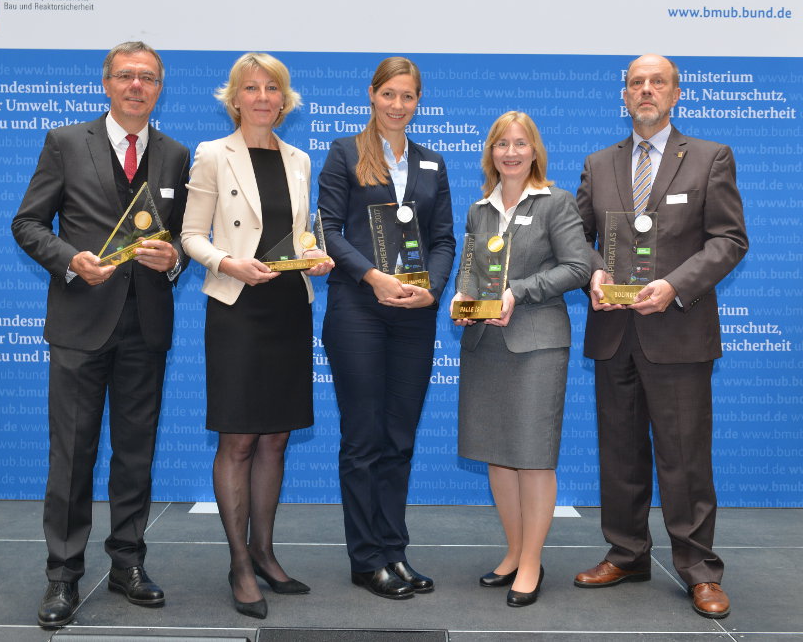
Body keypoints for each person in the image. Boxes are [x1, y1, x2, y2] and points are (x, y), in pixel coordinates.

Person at [12, 41, 190, 629]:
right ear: (106, 84)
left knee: (135, 454)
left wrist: (175, 261)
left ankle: (127, 564)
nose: (136, 86)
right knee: (73, 455)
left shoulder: (174, 154)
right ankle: (62, 576)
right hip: (80, 322)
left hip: (148, 325)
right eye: (125, 76)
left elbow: (183, 239)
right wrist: (69, 260)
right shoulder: (66, 143)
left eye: (148, 78)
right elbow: (28, 222)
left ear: (159, 88)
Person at [574, 54, 748, 619]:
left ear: (676, 94)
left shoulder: (709, 157)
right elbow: (577, 239)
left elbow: (728, 240)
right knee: (619, 452)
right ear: (623, 96)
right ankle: (626, 553)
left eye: (657, 82)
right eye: (636, 83)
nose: (646, 91)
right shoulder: (599, 163)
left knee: (684, 457)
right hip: (613, 331)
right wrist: (594, 272)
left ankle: (699, 569)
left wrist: (674, 286)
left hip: (678, 330)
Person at [180, 52, 333, 620]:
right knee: (239, 440)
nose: (263, 96)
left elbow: (298, 234)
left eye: (273, 87)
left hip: (289, 306)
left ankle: (267, 553)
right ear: (235, 97)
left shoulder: (298, 158)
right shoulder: (212, 155)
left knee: (276, 439)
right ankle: (239, 562)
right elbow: (191, 235)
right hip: (239, 309)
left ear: (285, 98)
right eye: (252, 88)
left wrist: (315, 256)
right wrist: (226, 262)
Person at [318, 56, 455, 600]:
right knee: (364, 437)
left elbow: (443, 238)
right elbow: (327, 229)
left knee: (399, 438)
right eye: (389, 95)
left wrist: (432, 289)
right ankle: (365, 558)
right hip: (359, 311)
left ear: (418, 102)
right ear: (372, 95)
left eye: (409, 97)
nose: (399, 106)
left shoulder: (431, 163)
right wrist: (372, 277)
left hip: (414, 315)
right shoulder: (345, 152)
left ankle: (394, 552)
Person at [453, 111, 590, 608]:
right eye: (501, 144)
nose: (510, 152)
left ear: (535, 151)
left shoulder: (557, 203)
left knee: (533, 457)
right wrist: (462, 302)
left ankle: (532, 561)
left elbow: (577, 267)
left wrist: (518, 292)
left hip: (538, 343)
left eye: (520, 144)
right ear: (491, 152)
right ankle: (513, 552)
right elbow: (470, 270)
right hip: (486, 346)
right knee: (498, 452)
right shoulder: (478, 210)